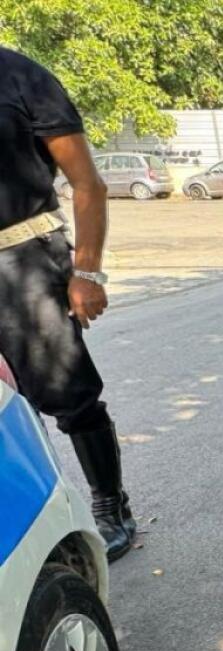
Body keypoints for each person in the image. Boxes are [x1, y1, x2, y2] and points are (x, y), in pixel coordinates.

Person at [0, 48, 134, 559]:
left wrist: (86, 272)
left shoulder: (21, 77)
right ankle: (30, 521)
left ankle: (110, 505)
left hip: (24, 260)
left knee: (68, 397)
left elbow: (87, 183)